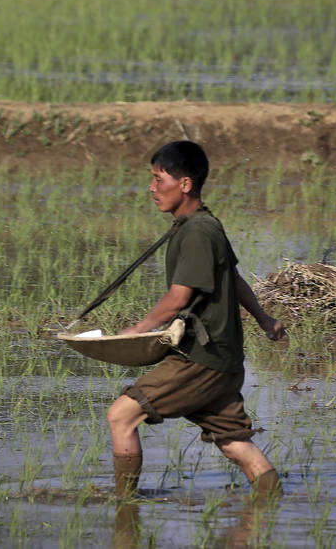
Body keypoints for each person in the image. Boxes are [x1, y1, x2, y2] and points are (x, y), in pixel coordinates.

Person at [106, 140, 285, 500]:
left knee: (121, 416)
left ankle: (124, 508)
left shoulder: (199, 232)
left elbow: (179, 296)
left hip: (201, 361)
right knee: (235, 444)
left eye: (159, 179)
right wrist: (266, 320)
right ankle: (271, 510)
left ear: (185, 184)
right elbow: (231, 278)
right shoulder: (201, 225)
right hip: (223, 361)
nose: (152, 188)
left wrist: (139, 329)